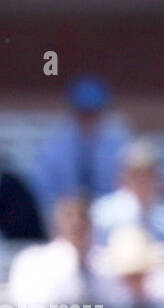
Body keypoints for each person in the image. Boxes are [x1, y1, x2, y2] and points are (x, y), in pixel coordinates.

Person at [34, 76, 132, 210]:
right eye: (83, 113)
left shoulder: (120, 144)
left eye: (94, 112)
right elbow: (42, 188)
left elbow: (126, 189)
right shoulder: (54, 146)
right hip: (65, 212)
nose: (88, 119)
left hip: (108, 212)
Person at [91, 139, 164, 253]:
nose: (142, 180)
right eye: (136, 174)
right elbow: (94, 253)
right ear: (124, 176)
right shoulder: (103, 214)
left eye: (149, 174)